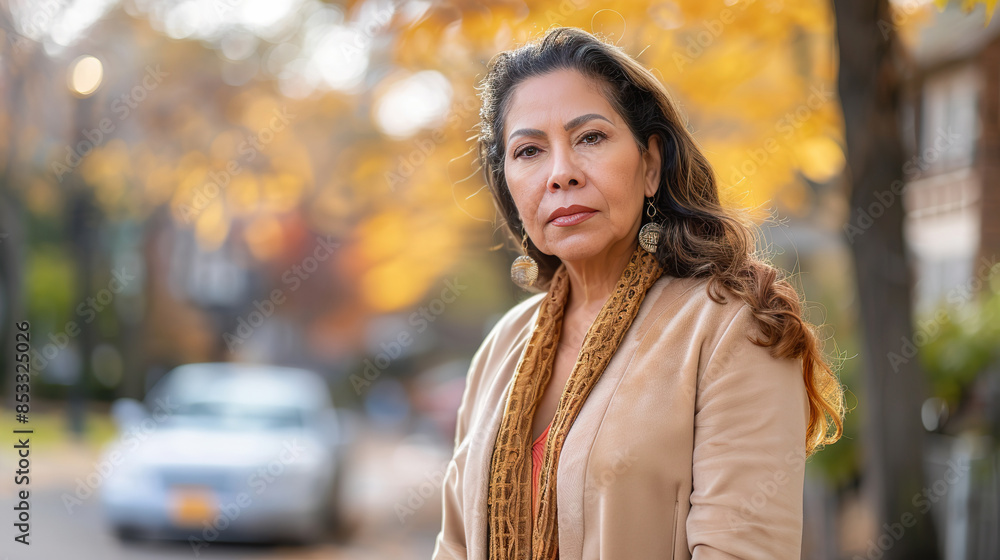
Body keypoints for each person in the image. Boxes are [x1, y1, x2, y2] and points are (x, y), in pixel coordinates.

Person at [432, 26, 845, 560]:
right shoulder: (502, 347)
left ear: (650, 164)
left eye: (590, 138)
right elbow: (455, 545)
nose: (561, 174)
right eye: (529, 150)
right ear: (508, 185)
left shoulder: (730, 329)